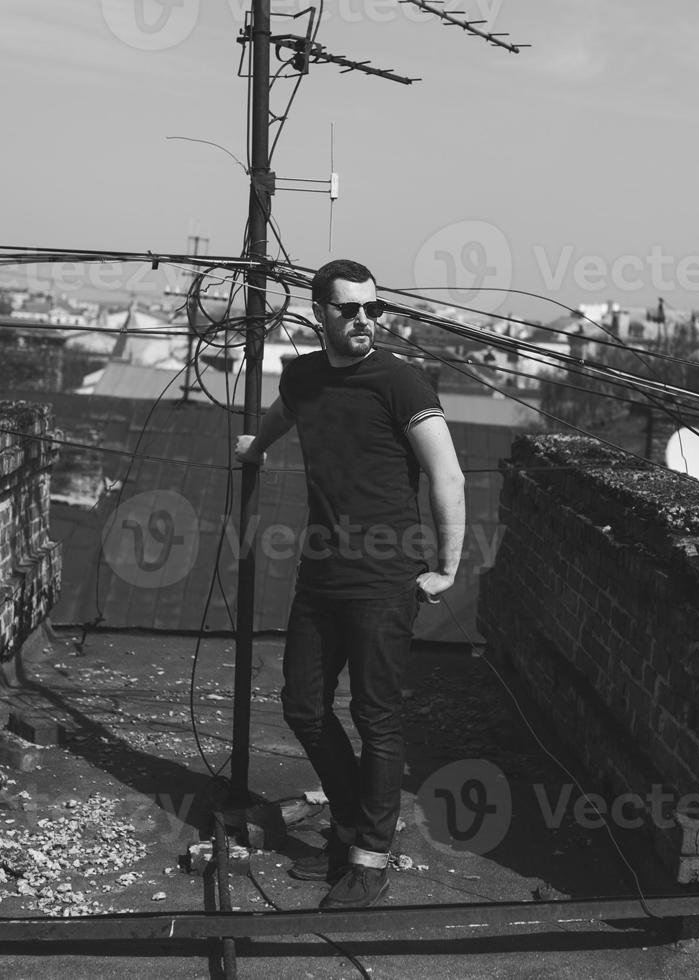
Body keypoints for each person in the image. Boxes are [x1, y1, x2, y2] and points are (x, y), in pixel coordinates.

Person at [234, 258, 465, 909]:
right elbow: (287, 410)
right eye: (350, 309)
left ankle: (369, 858)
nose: (364, 319)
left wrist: (446, 568)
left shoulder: (400, 382)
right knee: (303, 705)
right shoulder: (306, 374)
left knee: (376, 718)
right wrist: (257, 447)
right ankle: (346, 827)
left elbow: (448, 476)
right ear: (320, 313)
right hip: (322, 574)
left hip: (385, 579)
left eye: (373, 309)